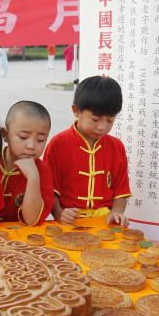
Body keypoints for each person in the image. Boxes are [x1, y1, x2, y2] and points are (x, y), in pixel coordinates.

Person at [44, 76, 131, 226]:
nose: (102, 127)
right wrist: (59, 213)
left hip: (104, 221)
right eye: (95, 120)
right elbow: (49, 189)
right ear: (76, 111)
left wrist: (117, 212)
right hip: (69, 220)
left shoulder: (116, 147)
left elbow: (120, 190)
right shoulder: (58, 144)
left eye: (110, 120)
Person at [0, 101, 55, 226]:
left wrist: (33, 177)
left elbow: (31, 220)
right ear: (5, 134)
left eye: (40, 140)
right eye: (23, 137)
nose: (31, 146)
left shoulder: (42, 171)